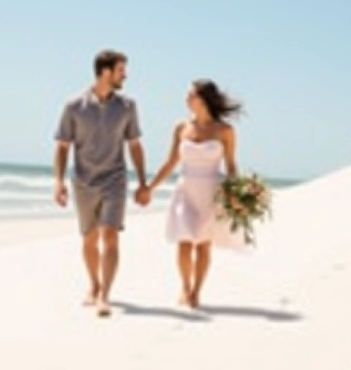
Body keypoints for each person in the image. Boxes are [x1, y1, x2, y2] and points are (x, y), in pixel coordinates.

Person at [53, 49, 147, 317]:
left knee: (110, 235)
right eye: (121, 70)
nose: (125, 76)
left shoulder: (128, 106)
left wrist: (142, 182)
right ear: (105, 71)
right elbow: (62, 146)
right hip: (83, 181)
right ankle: (94, 285)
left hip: (115, 179)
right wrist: (58, 181)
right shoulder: (73, 106)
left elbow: (135, 145)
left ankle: (104, 295)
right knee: (90, 238)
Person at [137, 79, 245, 308]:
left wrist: (235, 192)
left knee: (203, 244)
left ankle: (197, 290)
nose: (186, 99)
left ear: (203, 99)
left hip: (211, 191)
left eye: (191, 95)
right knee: (184, 240)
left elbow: (231, 164)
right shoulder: (181, 127)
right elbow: (170, 162)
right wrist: (150, 188)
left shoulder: (225, 130)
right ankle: (185, 286)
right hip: (185, 189)